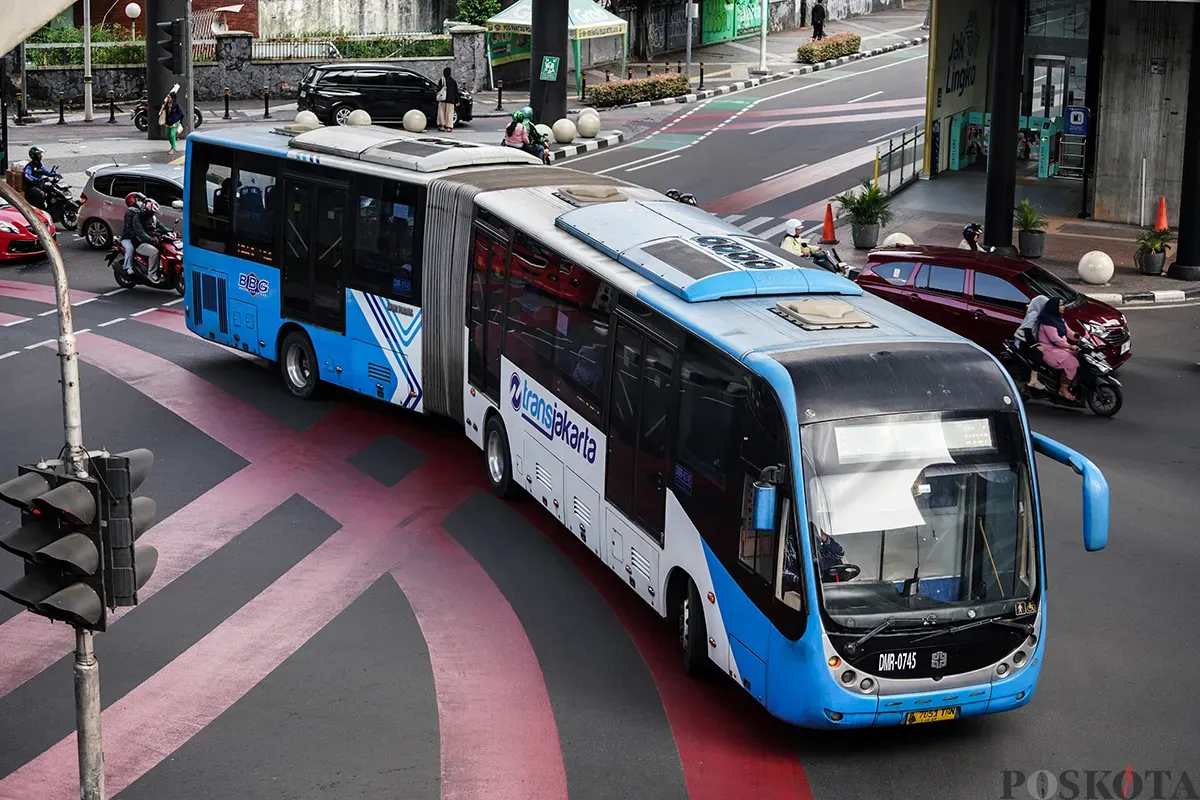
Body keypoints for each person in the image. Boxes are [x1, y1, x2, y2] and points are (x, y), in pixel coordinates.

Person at [1036, 297, 1081, 401]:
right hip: (1049, 350)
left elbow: (1069, 332)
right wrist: (1070, 346)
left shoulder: (1059, 318)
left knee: (1080, 355)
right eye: (1060, 305)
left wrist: (1081, 338)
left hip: (1061, 348)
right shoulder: (1048, 322)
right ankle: (1063, 389)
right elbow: (1055, 339)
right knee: (1072, 363)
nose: (1063, 307)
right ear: (1054, 307)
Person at [1016, 294, 1050, 390]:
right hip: (1023, 341)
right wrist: (1035, 345)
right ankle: (1033, 380)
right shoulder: (1034, 314)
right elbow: (1028, 331)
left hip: (1028, 340)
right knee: (1038, 354)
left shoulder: (1037, 313)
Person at [133, 199, 170, 282]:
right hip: (140, 243)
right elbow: (141, 234)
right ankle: (151, 274)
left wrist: (171, 231)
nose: (152, 214)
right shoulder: (137, 219)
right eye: (151, 212)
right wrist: (151, 239)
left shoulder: (152, 217)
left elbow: (161, 227)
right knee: (154, 252)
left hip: (150, 241)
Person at [120, 192, 148, 276]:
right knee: (130, 249)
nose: (141, 202)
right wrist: (135, 236)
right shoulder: (129, 213)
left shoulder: (141, 212)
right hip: (127, 238)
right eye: (139, 200)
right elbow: (128, 228)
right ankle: (127, 267)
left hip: (139, 237)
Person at [436, 67, 458, 132]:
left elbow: (438, 89)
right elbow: (456, 92)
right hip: (451, 100)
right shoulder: (453, 81)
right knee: (449, 114)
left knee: (441, 113)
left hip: (443, 100)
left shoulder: (442, 80)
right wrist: (457, 101)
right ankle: (448, 127)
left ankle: (442, 126)